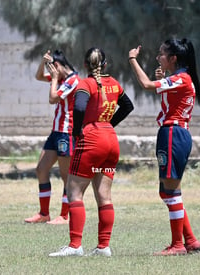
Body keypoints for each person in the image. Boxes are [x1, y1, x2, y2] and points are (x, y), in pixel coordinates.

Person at [49, 47, 134, 257]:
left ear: (85, 65)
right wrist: (108, 123)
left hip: (92, 139)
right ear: (105, 64)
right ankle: (104, 247)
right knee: (104, 195)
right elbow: (128, 106)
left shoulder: (85, 84)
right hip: (110, 141)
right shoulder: (114, 83)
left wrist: (78, 132)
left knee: (74, 192)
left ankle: (75, 245)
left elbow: (78, 108)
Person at [128, 38, 200, 256]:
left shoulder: (181, 78)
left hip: (173, 134)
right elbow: (166, 97)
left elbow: (146, 85)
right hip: (173, 134)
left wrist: (132, 59)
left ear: (173, 58)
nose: (157, 57)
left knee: (170, 192)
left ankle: (177, 245)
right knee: (168, 191)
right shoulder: (179, 79)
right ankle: (190, 240)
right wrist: (162, 80)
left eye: (162, 54)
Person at [24, 50, 80, 225]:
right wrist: (43, 62)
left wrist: (54, 79)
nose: (50, 73)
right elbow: (39, 76)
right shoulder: (60, 78)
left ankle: (65, 215)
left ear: (57, 66)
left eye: (51, 68)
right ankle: (44, 213)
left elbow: (53, 98)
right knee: (41, 169)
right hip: (56, 132)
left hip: (66, 132)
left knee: (66, 176)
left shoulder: (73, 80)